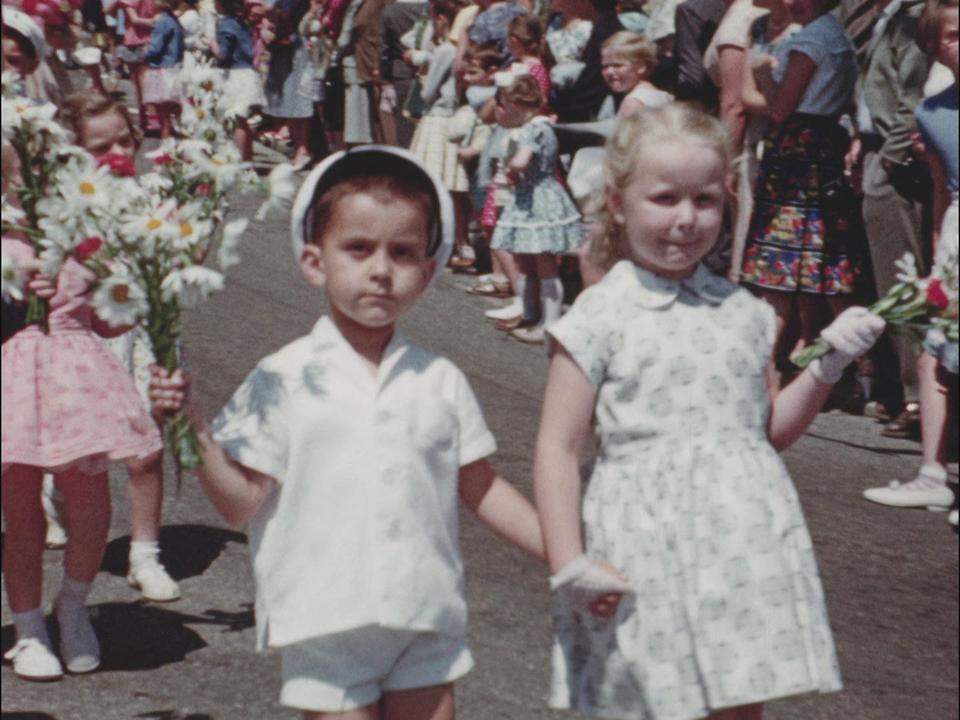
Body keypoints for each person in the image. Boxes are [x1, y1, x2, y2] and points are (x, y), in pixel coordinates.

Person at [148, 146, 545, 719]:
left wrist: (569, 555)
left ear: (428, 271)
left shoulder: (440, 378)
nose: (381, 269)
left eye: (403, 252)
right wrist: (193, 424)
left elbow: (483, 489)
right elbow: (240, 503)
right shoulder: (284, 376)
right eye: (358, 248)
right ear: (315, 261)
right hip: (326, 618)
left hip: (424, 612)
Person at [533, 103, 886, 720]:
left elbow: (766, 433)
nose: (686, 219)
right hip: (641, 541)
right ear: (618, 202)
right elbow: (557, 448)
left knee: (735, 701)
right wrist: (568, 559)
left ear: (727, 199)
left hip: (737, 544)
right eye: (664, 198)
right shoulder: (600, 315)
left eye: (705, 200)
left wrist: (826, 365)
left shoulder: (745, 314)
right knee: (645, 698)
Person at [1, 190, 163, 680]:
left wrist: (124, 286)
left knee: (90, 503)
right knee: (21, 512)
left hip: (76, 384)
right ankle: (28, 627)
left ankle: (73, 605)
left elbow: (114, 321)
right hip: (14, 382)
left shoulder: (83, 242)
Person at [51, 90, 185, 603]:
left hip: (147, 328)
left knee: (146, 444)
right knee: (80, 453)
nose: (118, 155)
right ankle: (61, 508)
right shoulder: (68, 205)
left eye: (126, 140)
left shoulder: (155, 197)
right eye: (101, 146)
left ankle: (144, 554)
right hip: (89, 337)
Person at [863, 0, 958, 515]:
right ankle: (932, 473)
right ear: (935, 47)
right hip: (957, 237)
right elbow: (944, 191)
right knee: (933, 349)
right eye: (953, 37)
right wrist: (941, 247)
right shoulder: (934, 112)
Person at [740, 0, 860, 376]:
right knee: (816, 259)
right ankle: (844, 360)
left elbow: (779, 109)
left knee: (781, 261)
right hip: (815, 148)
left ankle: (759, 366)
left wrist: (760, 74)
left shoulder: (812, 41)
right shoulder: (831, 34)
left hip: (798, 152)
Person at [846, 0, 932, 437]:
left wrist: (892, 160)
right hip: (876, 148)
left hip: (894, 162)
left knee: (902, 276)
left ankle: (919, 398)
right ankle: (908, 392)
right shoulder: (891, 12)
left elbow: (912, 99)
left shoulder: (917, 16)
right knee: (892, 278)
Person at [490, 73, 583, 344]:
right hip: (536, 194)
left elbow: (522, 159)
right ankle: (532, 315)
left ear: (517, 105)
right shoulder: (546, 125)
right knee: (528, 261)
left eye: (506, 106)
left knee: (542, 263)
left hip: (537, 199)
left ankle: (548, 322)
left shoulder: (533, 128)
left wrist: (513, 168)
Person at [211, 0, 265, 160]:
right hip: (247, 74)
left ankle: (241, 160)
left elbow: (223, 55)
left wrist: (212, 43)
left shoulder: (226, 25)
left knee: (237, 120)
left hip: (235, 76)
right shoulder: (240, 23)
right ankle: (248, 159)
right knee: (243, 121)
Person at [601, 30, 674, 116]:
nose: (609, 72)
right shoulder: (665, 96)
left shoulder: (634, 102)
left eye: (617, 65)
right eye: (604, 66)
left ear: (641, 67)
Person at [140, 0, 185, 138]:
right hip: (173, 67)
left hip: (162, 68)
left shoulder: (162, 22)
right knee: (172, 108)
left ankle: (166, 145)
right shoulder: (174, 20)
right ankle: (178, 135)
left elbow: (155, 48)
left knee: (163, 113)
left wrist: (143, 53)